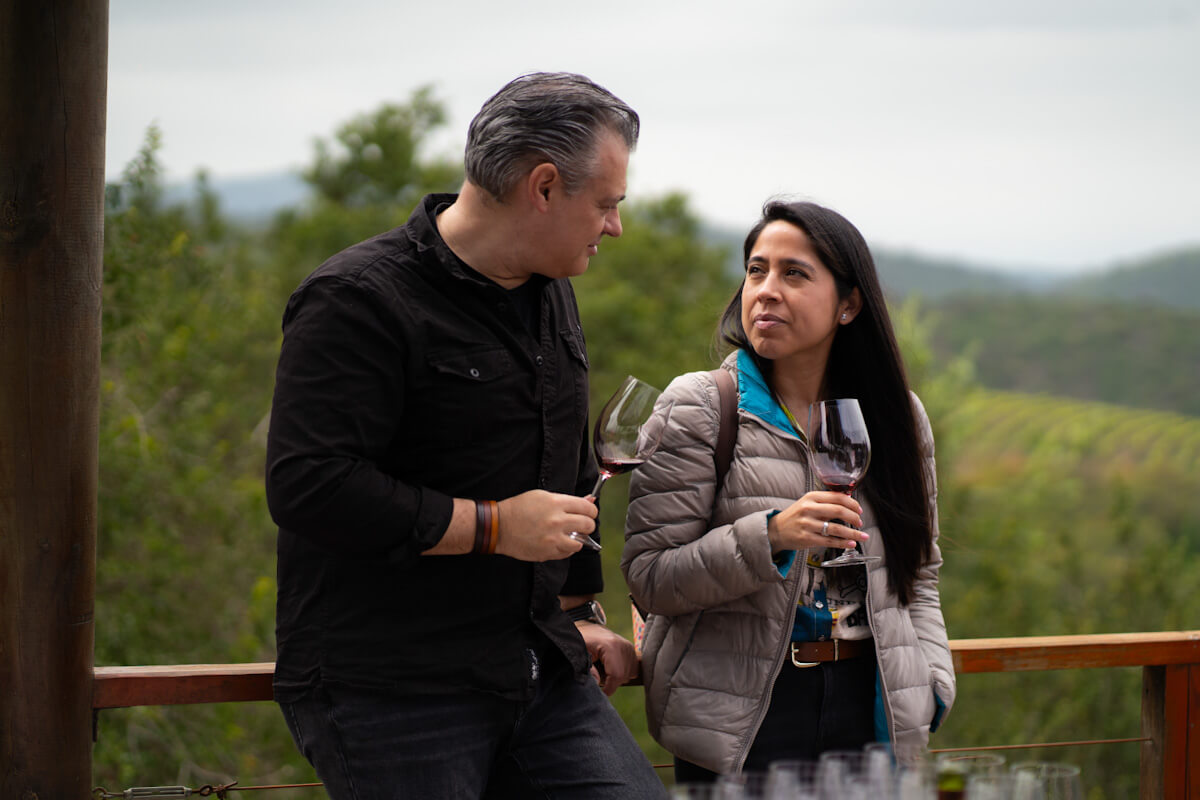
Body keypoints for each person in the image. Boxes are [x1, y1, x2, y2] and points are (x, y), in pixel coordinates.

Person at [265, 72, 667, 799]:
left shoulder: (553, 290)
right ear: (543, 186)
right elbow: (310, 486)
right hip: (392, 692)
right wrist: (493, 527)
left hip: (539, 671)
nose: (614, 227)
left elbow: (564, 462)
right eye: (607, 204)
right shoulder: (356, 299)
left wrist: (580, 614)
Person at [621, 199, 956, 781]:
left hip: (871, 706)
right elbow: (650, 576)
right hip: (743, 715)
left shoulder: (898, 417)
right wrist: (771, 535)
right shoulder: (700, 407)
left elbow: (919, 573)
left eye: (794, 273)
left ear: (849, 305)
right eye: (756, 270)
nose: (766, 291)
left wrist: (931, 687)